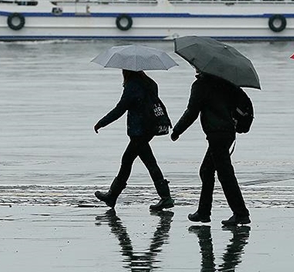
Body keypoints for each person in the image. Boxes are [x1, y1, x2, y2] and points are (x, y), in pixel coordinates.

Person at [171, 71, 251, 226]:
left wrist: (177, 130)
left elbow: (192, 111)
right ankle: (203, 212)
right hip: (227, 132)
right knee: (207, 171)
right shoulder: (225, 82)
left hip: (217, 134)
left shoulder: (201, 85)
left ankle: (241, 213)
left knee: (225, 174)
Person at [94, 69, 174, 211]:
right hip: (149, 128)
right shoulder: (150, 83)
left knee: (132, 162)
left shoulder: (133, 86)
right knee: (140, 161)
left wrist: (102, 122)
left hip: (139, 131)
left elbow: (120, 109)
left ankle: (165, 197)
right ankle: (113, 196)